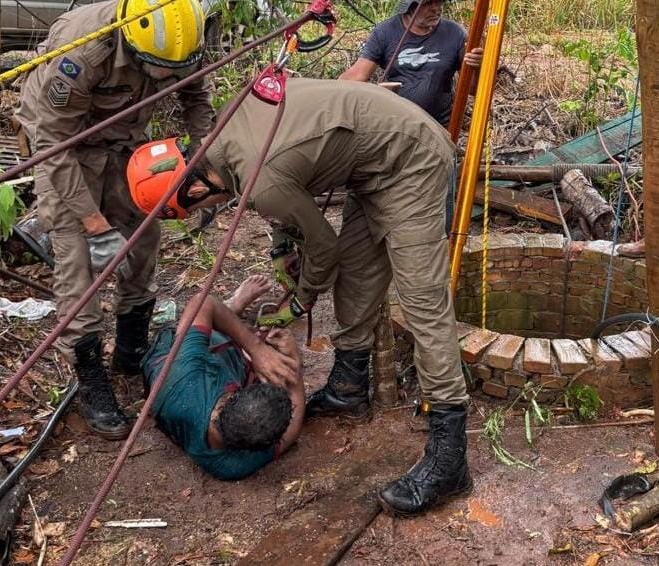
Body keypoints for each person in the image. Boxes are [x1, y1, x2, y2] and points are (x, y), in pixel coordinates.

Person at [127, 78, 472, 516]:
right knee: (357, 277)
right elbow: (288, 195)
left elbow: (321, 247)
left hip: (411, 157)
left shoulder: (258, 174)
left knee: (422, 301)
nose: (204, 212)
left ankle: (450, 456)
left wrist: (298, 302)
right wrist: (282, 248)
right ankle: (349, 386)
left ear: (193, 189)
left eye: (194, 209)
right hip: (370, 167)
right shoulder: (228, 135)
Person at [14, 0, 214, 439]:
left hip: (126, 143)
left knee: (143, 241)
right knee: (79, 264)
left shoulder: (183, 41)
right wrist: (94, 223)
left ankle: (130, 349)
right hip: (64, 147)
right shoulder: (81, 54)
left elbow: (196, 95)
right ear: (129, 40)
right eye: (156, 69)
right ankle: (90, 376)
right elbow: (54, 145)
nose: (166, 77)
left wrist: (206, 160)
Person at [141, 275, 304, 480]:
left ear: (231, 398)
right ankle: (229, 312)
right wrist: (294, 367)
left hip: (170, 362)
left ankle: (230, 308)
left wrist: (256, 349)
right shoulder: (232, 466)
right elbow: (291, 434)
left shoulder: (190, 375)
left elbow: (202, 302)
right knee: (266, 358)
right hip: (195, 372)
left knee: (203, 328)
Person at [339, 0, 482, 126]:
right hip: (397, 126)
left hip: (439, 128)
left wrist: (477, 67)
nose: (437, 8)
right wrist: (329, 93)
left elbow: (473, 90)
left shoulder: (455, 33)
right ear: (411, 6)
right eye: (428, 3)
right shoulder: (385, 32)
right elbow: (358, 75)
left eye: (439, 1)